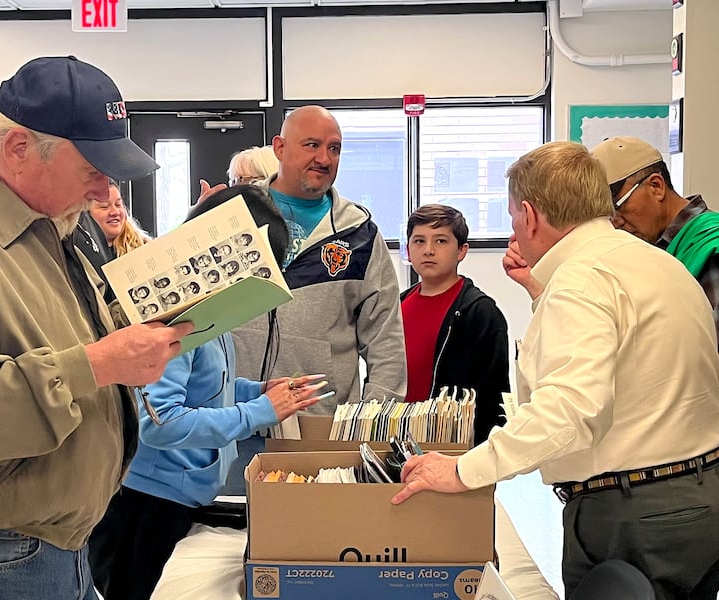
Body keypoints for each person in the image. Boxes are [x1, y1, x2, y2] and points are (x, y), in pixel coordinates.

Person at [0, 56, 195, 600]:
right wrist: (99, 364)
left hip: (43, 547)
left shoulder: (40, 222)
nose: (101, 191)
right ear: (19, 148)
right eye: (91, 168)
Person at [392, 141, 719, 599]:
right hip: (698, 501)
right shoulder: (659, 264)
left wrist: (464, 470)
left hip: (631, 514)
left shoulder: (581, 280)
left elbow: (568, 409)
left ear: (529, 215)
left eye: (511, 220)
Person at [87, 184, 327, 600]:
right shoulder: (170, 316)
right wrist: (257, 412)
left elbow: (206, 388)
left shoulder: (205, 308)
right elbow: (159, 422)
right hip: (145, 505)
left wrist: (258, 391)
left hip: (176, 498)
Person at [232, 105, 406, 410]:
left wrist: (370, 420)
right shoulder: (235, 215)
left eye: (334, 148)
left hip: (319, 425)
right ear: (280, 148)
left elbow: (386, 340)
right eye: (312, 145)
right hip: (229, 422)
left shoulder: (359, 235)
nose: (324, 159)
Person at [591, 136, 719, 343]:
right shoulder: (653, 249)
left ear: (656, 186)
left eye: (617, 207)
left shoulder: (711, 248)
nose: (615, 223)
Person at [400, 204, 509, 444]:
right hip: (398, 440)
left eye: (440, 241)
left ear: (461, 251)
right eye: (419, 241)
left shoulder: (480, 312)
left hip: (454, 445)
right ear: (408, 250)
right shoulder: (396, 306)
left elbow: (493, 396)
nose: (428, 250)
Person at [90, 179, 152, 257]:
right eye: (104, 206)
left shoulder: (145, 247)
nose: (115, 212)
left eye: (118, 204)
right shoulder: (77, 253)